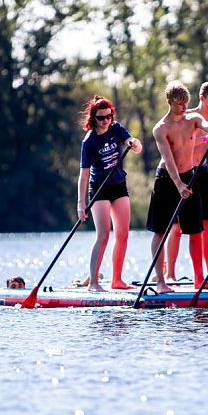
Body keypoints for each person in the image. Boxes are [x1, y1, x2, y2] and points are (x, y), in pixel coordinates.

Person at [146, 80, 208, 294]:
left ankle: (200, 280)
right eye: (180, 104)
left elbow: (207, 125)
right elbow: (168, 160)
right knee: (161, 231)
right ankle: (161, 281)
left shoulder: (194, 119)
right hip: (167, 180)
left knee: (195, 230)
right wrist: (178, 184)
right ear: (169, 102)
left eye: (186, 103)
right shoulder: (160, 128)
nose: (184, 107)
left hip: (190, 176)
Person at [77, 95, 143, 291]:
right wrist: (81, 204)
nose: (106, 121)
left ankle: (117, 280)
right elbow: (84, 175)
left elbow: (136, 146)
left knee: (123, 235)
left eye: (109, 116)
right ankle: (94, 283)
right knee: (104, 235)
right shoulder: (89, 142)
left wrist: (134, 142)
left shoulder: (116, 128)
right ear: (93, 119)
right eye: (101, 118)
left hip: (118, 185)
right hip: (99, 189)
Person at [165, 81, 208, 284]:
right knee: (176, 227)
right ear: (201, 98)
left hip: (201, 173)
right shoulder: (187, 117)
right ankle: (170, 274)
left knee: (206, 225)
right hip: (182, 175)